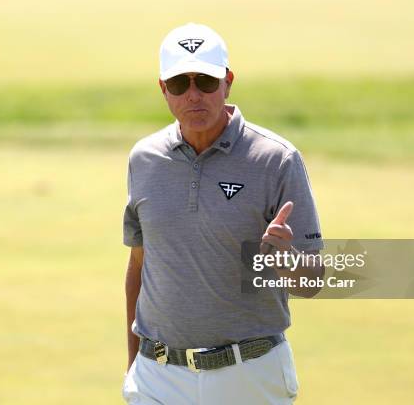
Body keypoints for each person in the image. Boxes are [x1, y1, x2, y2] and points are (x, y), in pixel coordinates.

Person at [122, 23, 324, 405]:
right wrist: (133, 366)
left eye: (207, 82)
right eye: (180, 84)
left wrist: (285, 258)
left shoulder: (276, 160)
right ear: (164, 90)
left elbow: (311, 281)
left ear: (228, 82)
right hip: (157, 378)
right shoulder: (144, 159)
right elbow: (138, 267)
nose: (193, 95)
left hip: (249, 376)